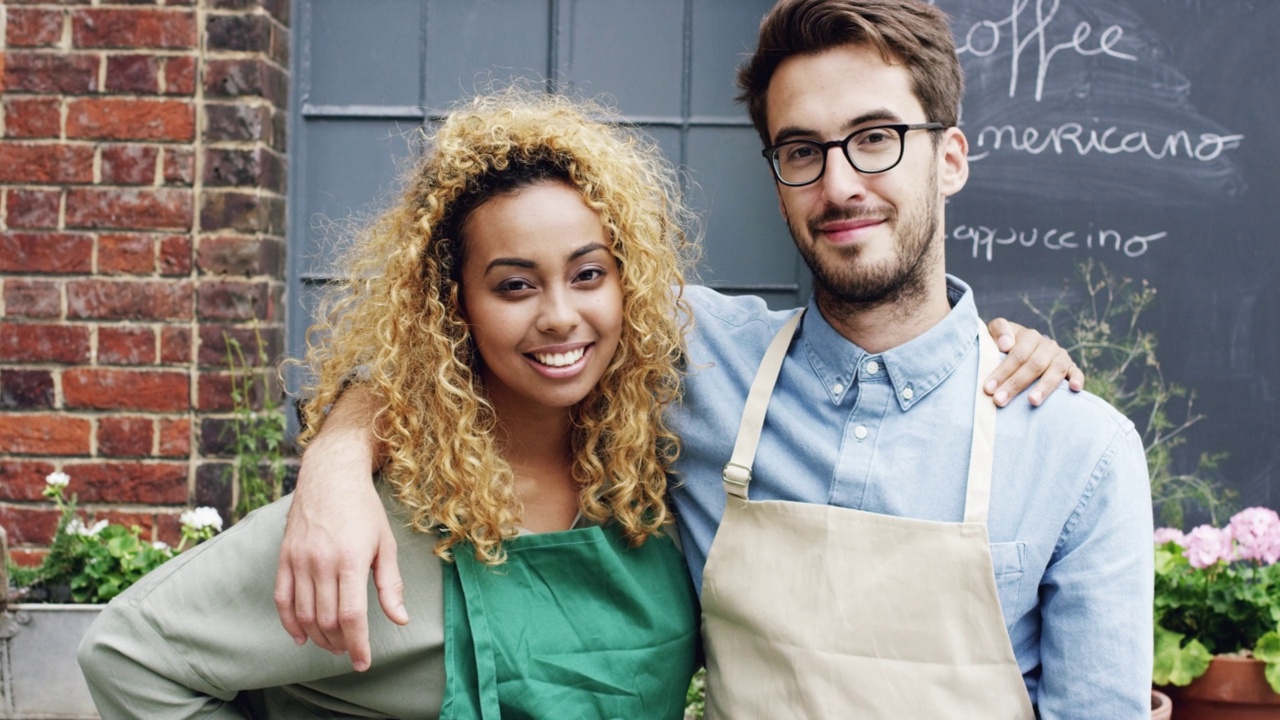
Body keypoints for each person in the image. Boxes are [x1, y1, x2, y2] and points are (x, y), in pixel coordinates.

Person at [279, 1, 1156, 718]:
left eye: (877, 137)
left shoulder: (1080, 452)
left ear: (950, 158)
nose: (841, 184)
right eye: (802, 151)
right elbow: (466, 332)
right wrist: (336, 459)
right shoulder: (693, 359)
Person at [76, 90, 702, 718]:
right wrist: (340, 456)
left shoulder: (673, 468)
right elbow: (129, 652)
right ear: (454, 306)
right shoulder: (374, 518)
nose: (561, 317)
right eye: (515, 286)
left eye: (589, 274)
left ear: (629, 280)